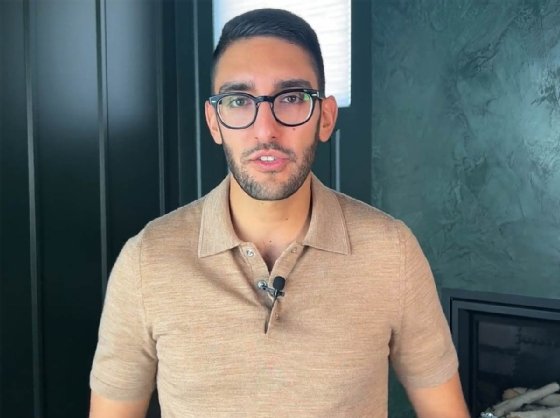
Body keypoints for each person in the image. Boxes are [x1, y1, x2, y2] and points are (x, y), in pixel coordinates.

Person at [89, 8, 470, 418]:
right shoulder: (147, 261)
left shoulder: (392, 253)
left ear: (325, 117)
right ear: (214, 122)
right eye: (239, 101)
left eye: (291, 98)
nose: (266, 129)